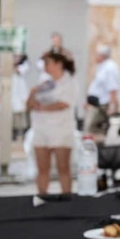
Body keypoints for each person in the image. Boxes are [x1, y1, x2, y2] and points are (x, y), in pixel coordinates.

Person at [28, 49, 80, 195]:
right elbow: (30, 104)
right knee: (43, 169)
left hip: (61, 130)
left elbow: (64, 104)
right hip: (41, 129)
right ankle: (42, 197)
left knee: (63, 168)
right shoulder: (43, 82)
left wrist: (43, 107)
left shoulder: (70, 82)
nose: (45, 66)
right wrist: (32, 94)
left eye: (48, 62)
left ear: (59, 64)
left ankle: (67, 199)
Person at [85, 44, 120, 136]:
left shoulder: (110, 68)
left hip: (103, 106)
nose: (95, 57)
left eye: (97, 54)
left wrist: (112, 107)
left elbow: (113, 89)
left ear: (103, 56)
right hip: (96, 104)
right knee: (90, 129)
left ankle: (97, 148)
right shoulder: (103, 67)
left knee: (94, 130)